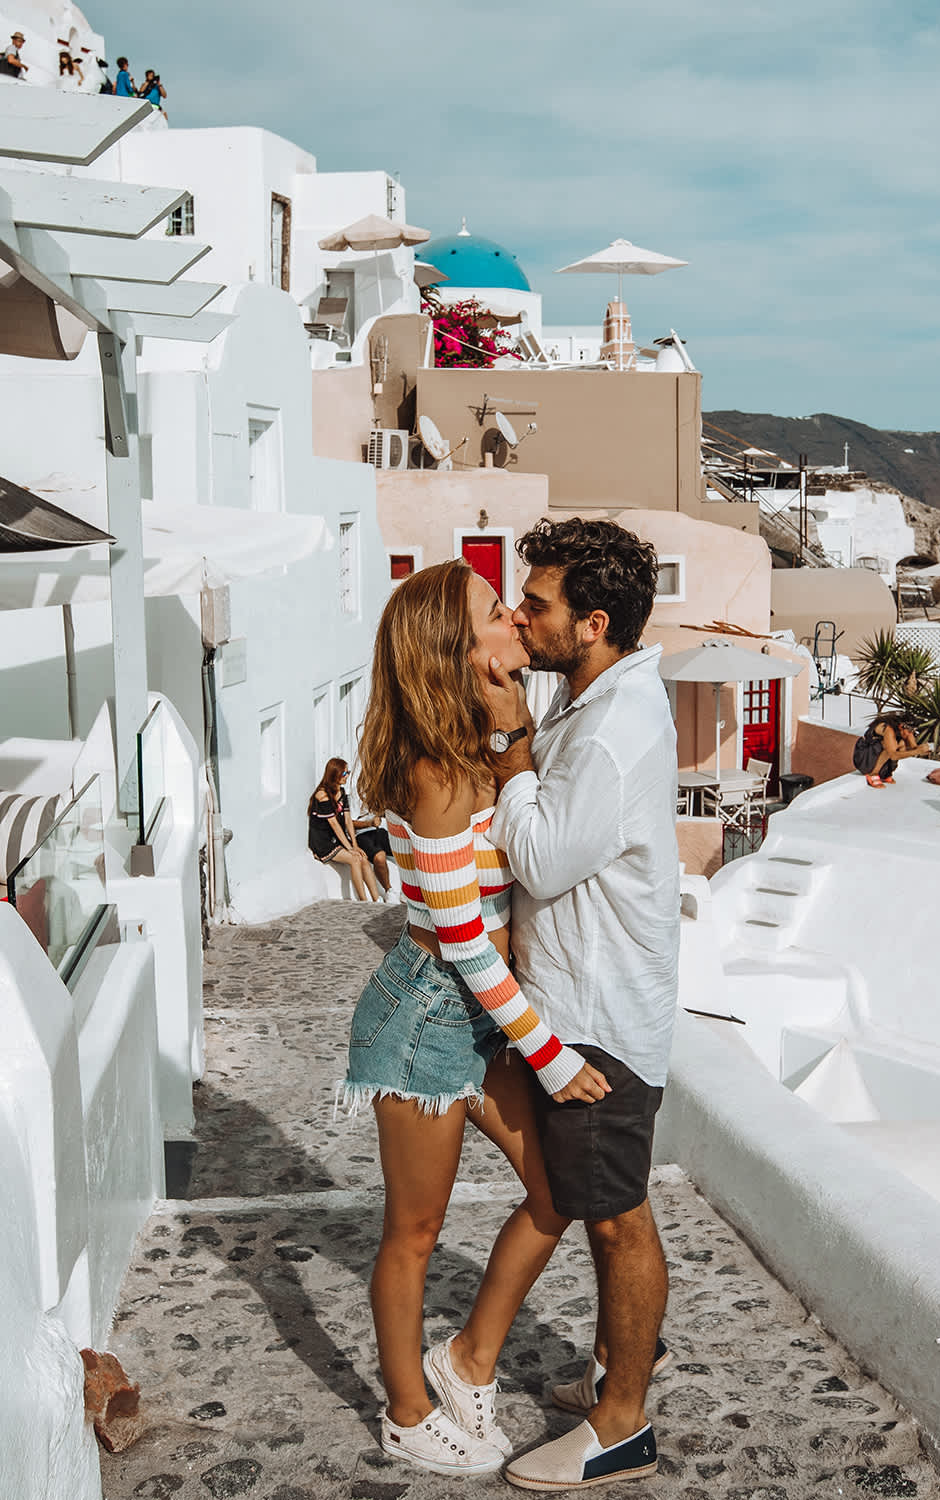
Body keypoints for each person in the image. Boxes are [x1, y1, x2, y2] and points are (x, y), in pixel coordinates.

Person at [341, 560, 611, 1477]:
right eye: (498, 616)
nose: (516, 624)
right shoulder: (435, 775)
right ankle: (409, 1412)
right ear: (459, 654)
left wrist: (516, 731)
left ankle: (464, 1361)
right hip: (423, 1016)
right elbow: (462, 939)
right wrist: (551, 1056)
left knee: (553, 1190)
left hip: (478, 1018)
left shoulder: (474, 754)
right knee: (413, 1232)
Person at [481, 517, 680, 1492]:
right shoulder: (589, 698)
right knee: (599, 1208)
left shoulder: (609, 729)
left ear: (593, 623)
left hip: (597, 1021)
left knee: (617, 1219)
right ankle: (616, 1370)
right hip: (581, 1005)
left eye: (539, 603)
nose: (522, 614)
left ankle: (622, 1426)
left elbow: (545, 858)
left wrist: (513, 746)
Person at [308, 757, 382, 901]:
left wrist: (354, 845)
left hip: (338, 839)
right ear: (334, 774)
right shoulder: (322, 795)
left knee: (363, 859)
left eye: (347, 772)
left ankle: (376, 899)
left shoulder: (341, 792)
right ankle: (363, 901)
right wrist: (349, 849)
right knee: (354, 859)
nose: (347, 776)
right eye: (344, 773)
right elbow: (334, 824)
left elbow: (348, 820)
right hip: (323, 842)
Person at [852, 712, 930, 787]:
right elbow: (893, 755)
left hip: (876, 756)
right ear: (901, 726)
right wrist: (916, 751)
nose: (910, 734)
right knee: (891, 746)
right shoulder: (888, 729)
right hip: (864, 758)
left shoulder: (906, 731)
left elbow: (913, 748)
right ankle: (873, 773)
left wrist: (923, 750)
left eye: (912, 731)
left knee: (901, 744)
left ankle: (885, 773)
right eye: (909, 731)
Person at [350, 806, 397, 901]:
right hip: (362, 834)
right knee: (379, 857)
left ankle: (407, 892)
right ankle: (389, 891)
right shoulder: (351, 795)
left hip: (381, 830)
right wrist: (369, 823)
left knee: (406, 852)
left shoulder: (373, 793)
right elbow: (349, 822)